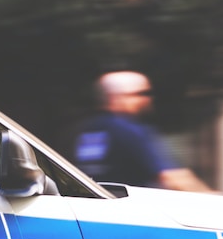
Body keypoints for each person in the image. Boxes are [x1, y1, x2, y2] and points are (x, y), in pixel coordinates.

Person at [73, 70, 213, 192]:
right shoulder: (128, 129)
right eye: (141, 93)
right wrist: (211, 199)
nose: (148, 99)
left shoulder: (88, 128)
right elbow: (172, 177)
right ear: (114, 97)